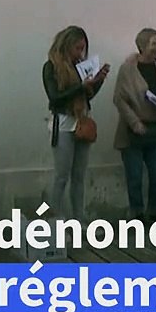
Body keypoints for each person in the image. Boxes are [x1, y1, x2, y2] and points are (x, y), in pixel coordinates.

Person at [43, 26, 110, 221]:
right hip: (63, 122)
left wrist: (98, 81)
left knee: (79, 175)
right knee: (61, 175)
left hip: (81, 122)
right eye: (77, 48)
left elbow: (86, 96)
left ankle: (78, 218)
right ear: (66, 46)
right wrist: (80, 86)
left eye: (82, 49)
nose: (80, 53)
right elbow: (54, 97)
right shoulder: (51, 66)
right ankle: (51, 217)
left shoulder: (80, 66)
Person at [113, 28, 156, 223]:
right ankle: (136, 213)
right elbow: (119, 99)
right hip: (133, 130)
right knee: (135, 175)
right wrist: (134, 122)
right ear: (142, 45)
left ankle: (155, 210)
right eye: (154, 43)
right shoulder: (127, 69)